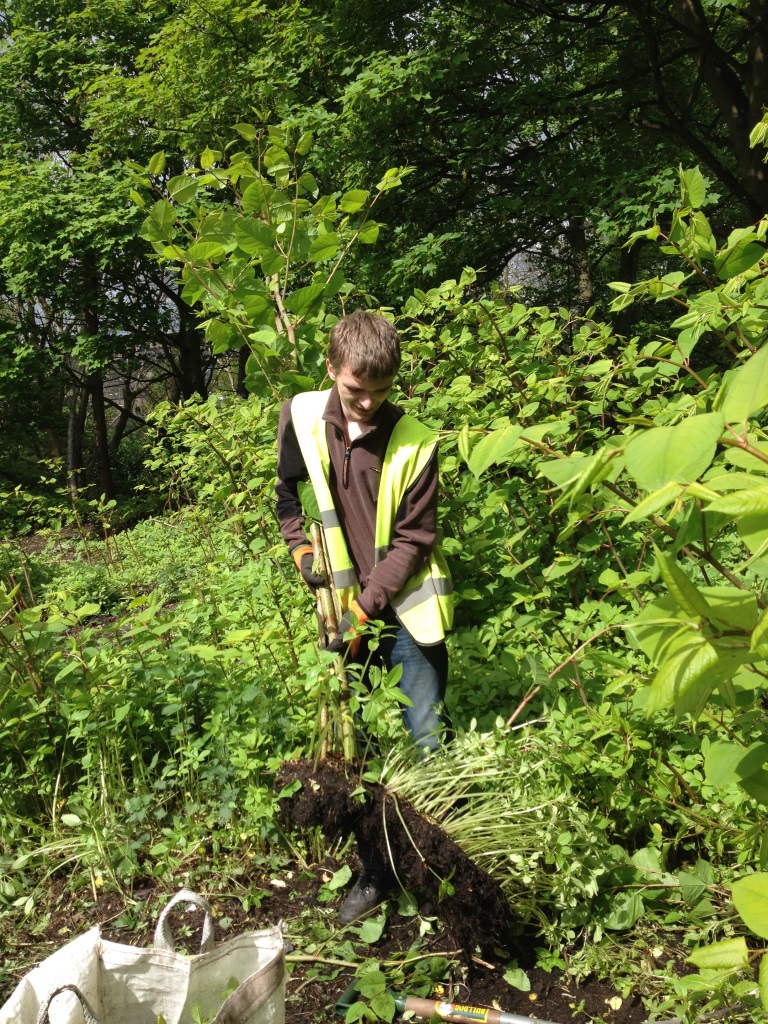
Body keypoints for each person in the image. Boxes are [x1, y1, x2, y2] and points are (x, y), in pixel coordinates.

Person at [275, 309, 454, 924]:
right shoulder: (301, 416)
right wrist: (301, 548)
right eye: (356, 390)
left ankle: (439, 876)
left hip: (406, 613)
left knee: (427, 740)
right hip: (348, 614)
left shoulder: (416, 440)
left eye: (382, 391)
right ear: (331, 370)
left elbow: (412, 541)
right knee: (367, 751)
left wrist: (364, 607)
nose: (369, 404)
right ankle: (375, 872)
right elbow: (286, 497)